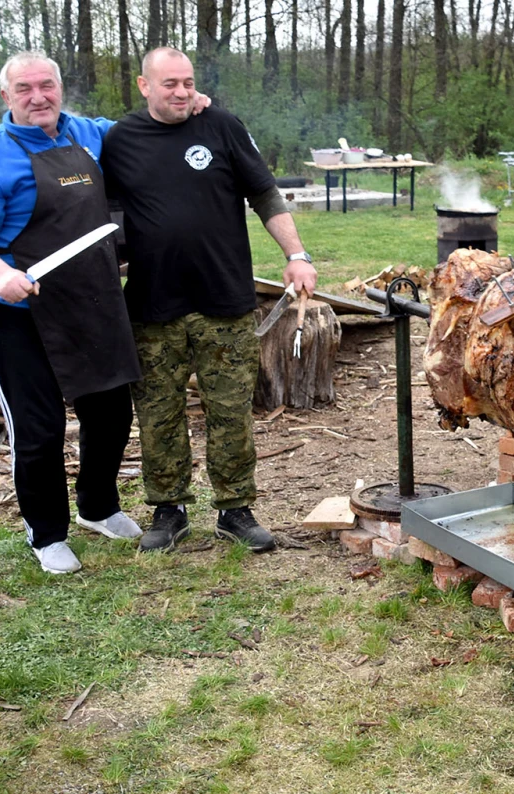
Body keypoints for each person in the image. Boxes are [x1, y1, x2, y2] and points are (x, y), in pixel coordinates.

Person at [102, 47, 317, 554]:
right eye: (168, 83)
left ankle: (235, 509)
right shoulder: (119, 139)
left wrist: (297, 253)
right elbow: (108, 209)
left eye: (186, 82)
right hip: (153, 306)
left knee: (230, 411)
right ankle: (167, 509)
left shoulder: (221, 125)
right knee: (159, 413)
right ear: (144, 85)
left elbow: (264, 193)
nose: (180, 92)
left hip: (224, 299)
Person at [0, 52, 143, 574]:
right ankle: (46, 533)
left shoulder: (87, 132)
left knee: (111, 412)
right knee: (39, 427)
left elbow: (145, 128)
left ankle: (98, 508)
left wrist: (190, 100)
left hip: (87, 301)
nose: (39, 98)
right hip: (16, 310)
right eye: (25, 89)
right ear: (6, 96)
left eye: (47, 86)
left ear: (61, 87)